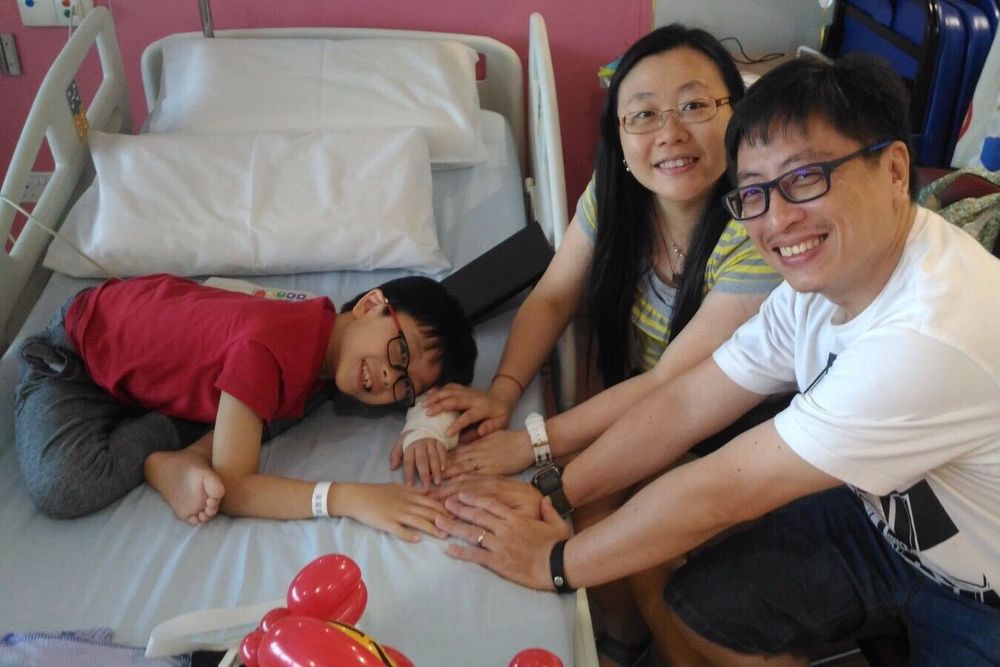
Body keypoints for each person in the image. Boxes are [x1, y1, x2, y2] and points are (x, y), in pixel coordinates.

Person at [436, 53, 1000, 666]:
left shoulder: (926, 335)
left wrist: (553, 563)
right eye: (754, 193)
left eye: (806, 178)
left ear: (894, 171)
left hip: (985, 595)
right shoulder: (818, 285)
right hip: (883, 525)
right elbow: (684, 399)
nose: (778, 219)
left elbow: (719, 492)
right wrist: (557, 495)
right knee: (701, 612)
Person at [415, 23, 780, 456]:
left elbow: (672, 384)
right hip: (651, 405)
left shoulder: (759, 231)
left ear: (737, 113)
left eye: (694, 105)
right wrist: (502, 394)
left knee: (566, 506)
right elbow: (553, 296)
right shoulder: (615, 197)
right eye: (644, 115)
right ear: (620, 136)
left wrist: (531, 444)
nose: (670, 133)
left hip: (736, 430)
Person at [14, 273, 477, 542]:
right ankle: (170, 455)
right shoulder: (269, 349)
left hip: (151, 355)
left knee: (295, 407)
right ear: (371, 304)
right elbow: (234, 490)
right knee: (64, 484)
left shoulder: (322, 333)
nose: (387, 378)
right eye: (399, 353)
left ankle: (188, 454)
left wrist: (424, 424)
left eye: (405, 388)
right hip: (81, 353)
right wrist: (352, 498)